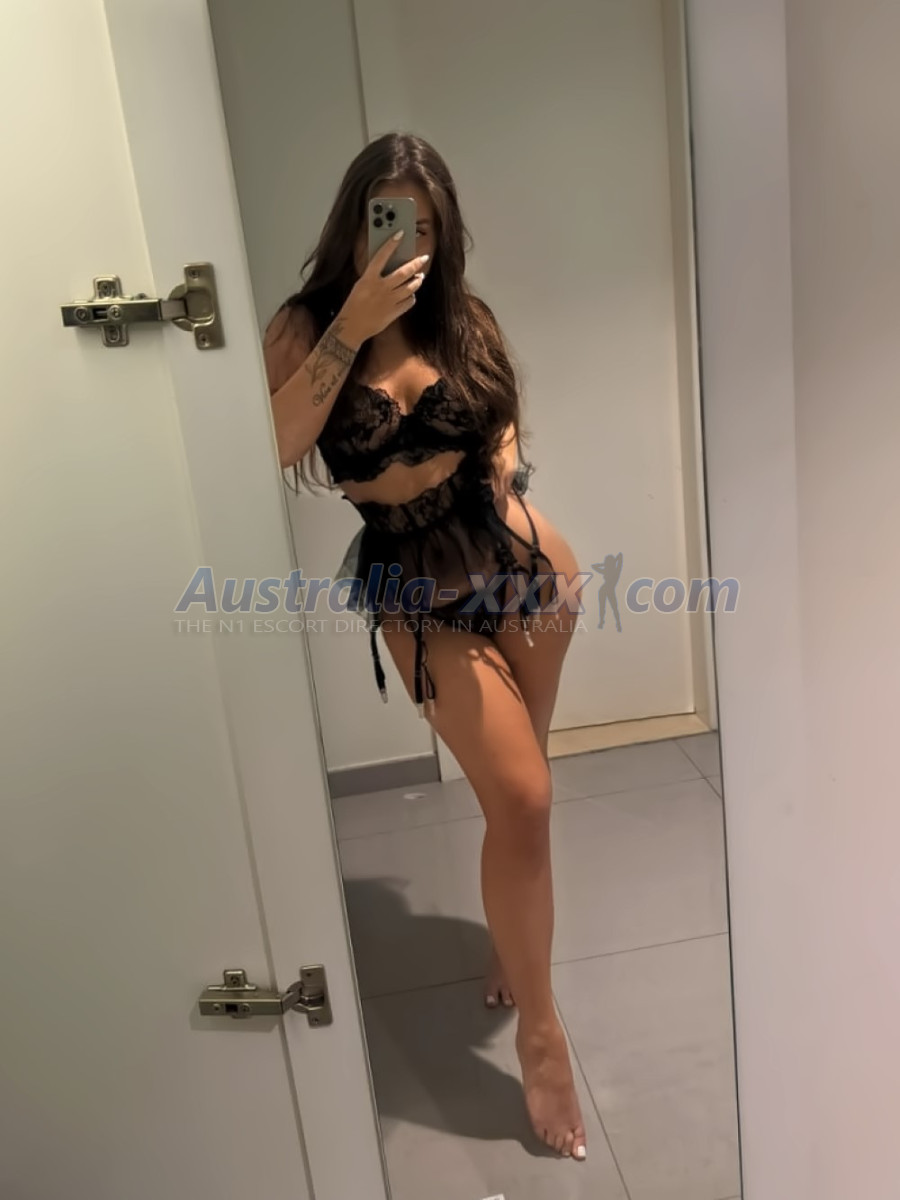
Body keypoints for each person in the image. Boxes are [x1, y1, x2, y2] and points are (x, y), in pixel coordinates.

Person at [264, 132, 588, 1162]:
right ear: (354, 220)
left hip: (526, 567)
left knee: (522, 795)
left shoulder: (462, 318)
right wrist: (352, 328)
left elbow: (500, 423)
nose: (406, 241)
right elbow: (271, 443)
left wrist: (505, 471)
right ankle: (541, 1037)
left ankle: (515, 952)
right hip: (416, 587)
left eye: (426, 224)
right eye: (387, 219)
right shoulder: (306, 326)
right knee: (523, 797)